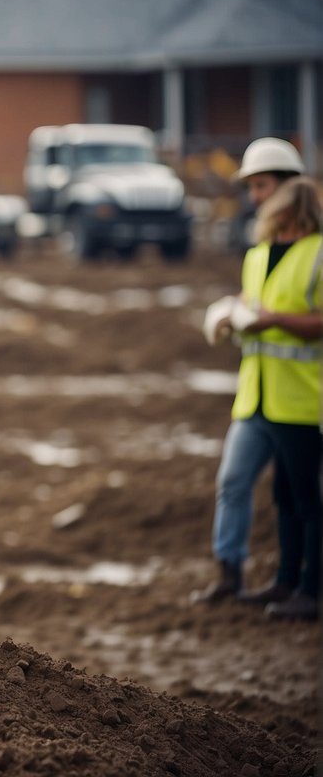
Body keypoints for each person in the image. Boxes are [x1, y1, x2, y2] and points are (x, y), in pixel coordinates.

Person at [195, 176, 321, 619]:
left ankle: (309, 589)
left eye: (265, 190)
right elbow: (251, 306)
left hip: (302, 399)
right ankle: (268, 581)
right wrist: (232, 317)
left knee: (305, 498)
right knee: (251, 487)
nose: (257, 201)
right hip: (257, 395)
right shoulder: (257, 255)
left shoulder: (318, 253)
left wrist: (274, 320)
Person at [225, 137, 304, 254]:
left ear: (289, 185)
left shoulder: (318, 249)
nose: (253, 197)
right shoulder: (258, 253)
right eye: (250, 187)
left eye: (260, 185)